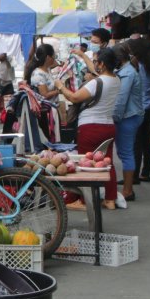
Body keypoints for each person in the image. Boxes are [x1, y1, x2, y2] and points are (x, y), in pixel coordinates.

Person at [55, 47, 120, 210]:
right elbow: (95, 70)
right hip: (108, 127)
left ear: (103, 64)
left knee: (86, 164)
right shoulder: (116, 80)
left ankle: (85, 201)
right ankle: (110, 200)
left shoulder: (95, 83)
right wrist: (83, 56)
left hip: (90, 127)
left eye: (97, 61)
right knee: (107, 164)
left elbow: (74, 97)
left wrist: (61, 86)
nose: (95, 64)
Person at [111, 42, 143, 203]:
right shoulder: (126, 70)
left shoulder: (128, 74)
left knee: (126, 153)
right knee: (125, 152)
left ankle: (128, 190)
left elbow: (121, 100)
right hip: (130, 115)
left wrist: (114, 118)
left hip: (127, 117)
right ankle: (127, 188)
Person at [128, 37, 150, 183]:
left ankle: (133, 176)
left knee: (137, 143)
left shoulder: (138, 68)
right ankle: (145, 173)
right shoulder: (149, 65)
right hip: (149, 107)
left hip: (139, 109)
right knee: (146, 142)